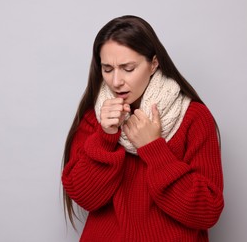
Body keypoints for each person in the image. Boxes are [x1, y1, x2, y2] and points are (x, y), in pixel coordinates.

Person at [61, 15, 224, 242]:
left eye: (128, 68)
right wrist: (105, 138)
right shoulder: (95, 118)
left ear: (154, 64)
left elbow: (206, 211)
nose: (116, 81)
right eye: (108, 69)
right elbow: (86, 198)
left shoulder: (194, 118)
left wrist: (153, 148)